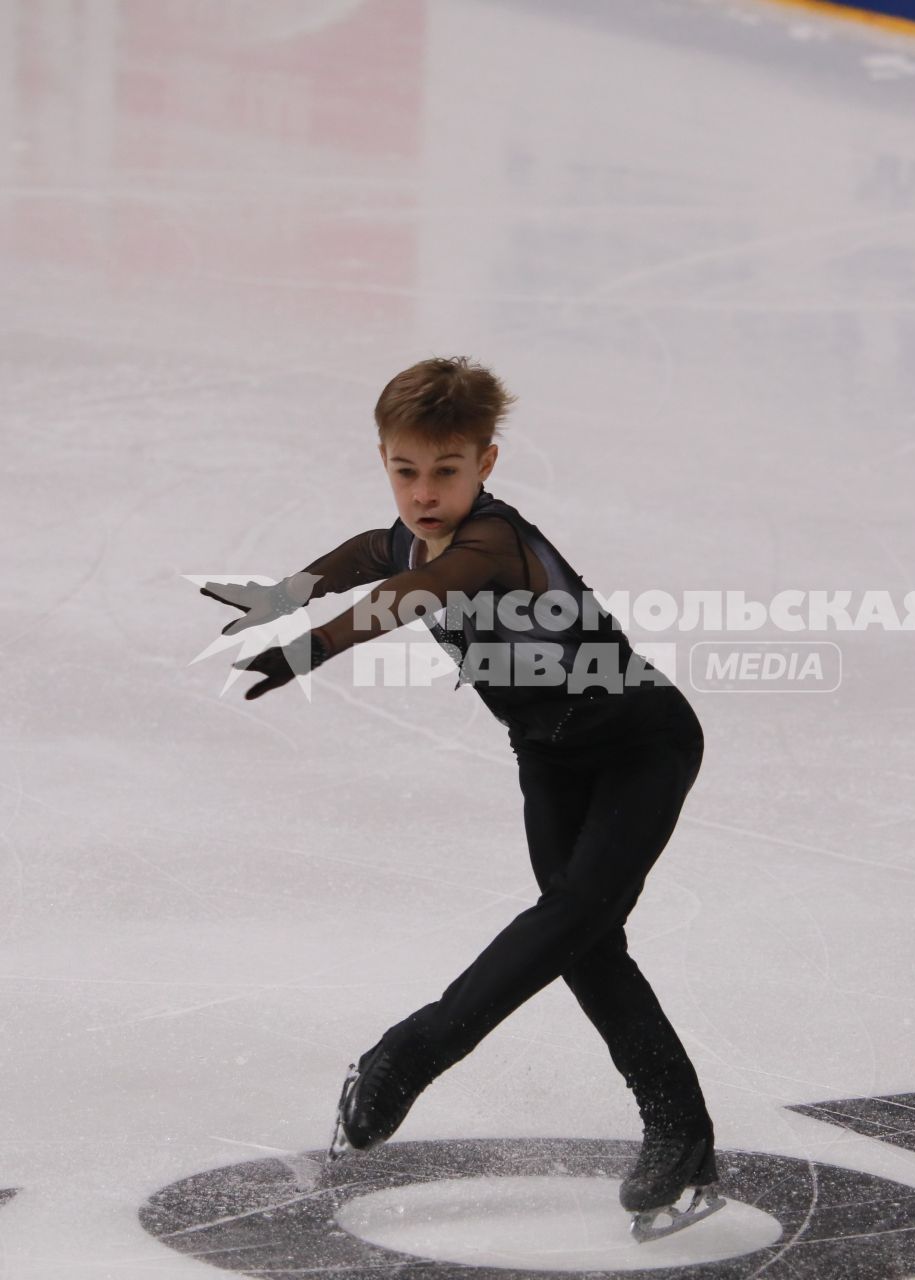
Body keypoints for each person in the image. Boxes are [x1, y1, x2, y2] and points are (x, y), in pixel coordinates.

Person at [201, 356, 717, 1228]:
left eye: (446, 470)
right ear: (384, 459)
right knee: (584, 943)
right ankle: (681, 1133)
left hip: (640, 743)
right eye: (406, 471)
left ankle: (410, 1054)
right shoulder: (411, 532)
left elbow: (408, 595)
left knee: (572, 917)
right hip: (547, 757)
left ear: (487, 464)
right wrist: (286, 594)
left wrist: (308, 646)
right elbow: (372, 554)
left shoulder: (492, 544)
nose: (424, 493)